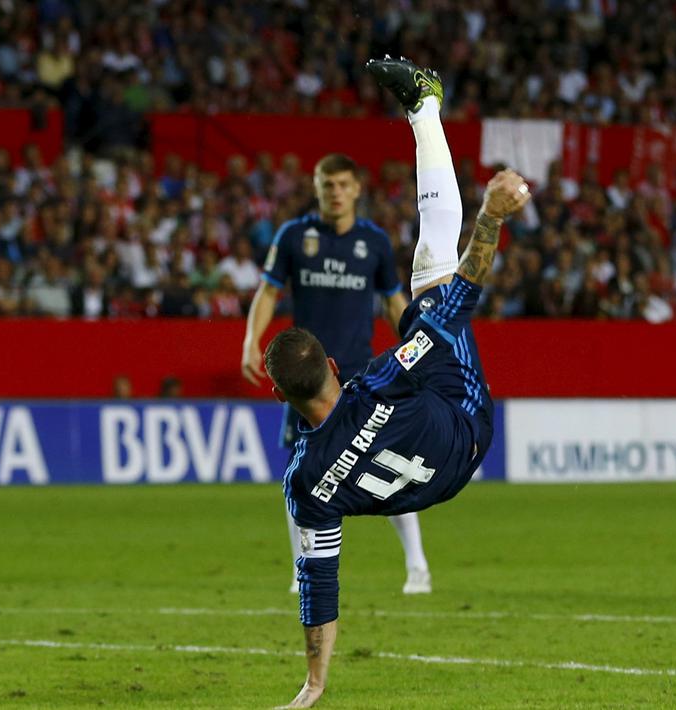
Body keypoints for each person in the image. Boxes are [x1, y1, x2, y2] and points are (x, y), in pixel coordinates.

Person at [270, 57, 532, 708]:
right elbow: (463, 294)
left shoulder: (303, 481)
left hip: (445, 472)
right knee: (436, 278)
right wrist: (493, 215)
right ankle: (424, 109)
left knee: (424, 286)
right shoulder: (377, 380)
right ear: (333, 367)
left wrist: (313, 683)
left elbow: (318, 585)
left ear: (279, 395)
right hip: (464, 418)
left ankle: (424, 109)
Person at [241, 134, 429, 596]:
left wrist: (417, 344)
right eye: (328, 185)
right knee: (299, 469)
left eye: (343, 184)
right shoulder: (293, 237)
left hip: (359, 375)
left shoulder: (374, 243)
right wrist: (251, 339)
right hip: (307, 378)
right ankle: (301, 566)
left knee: (387, 463)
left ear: (357, 189)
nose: (336, 192)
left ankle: (417, 566)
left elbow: (392, 303)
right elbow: (268, 292)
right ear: (317, 187)